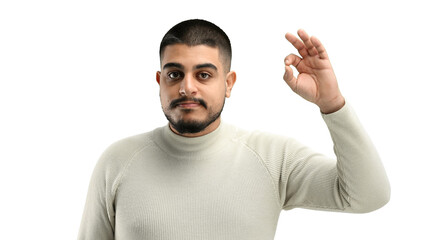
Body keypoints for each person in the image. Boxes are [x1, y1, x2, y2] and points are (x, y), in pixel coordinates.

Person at [77, 19, 390, 239]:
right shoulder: (117, 161)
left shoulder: (273, 158)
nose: (187, 88)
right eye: (175, 74)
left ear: (228, 84)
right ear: (160, 82)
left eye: (203, 75)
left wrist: (332, 103)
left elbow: (368, 195)